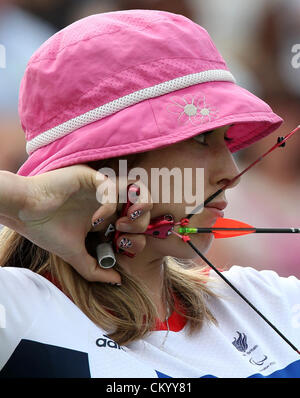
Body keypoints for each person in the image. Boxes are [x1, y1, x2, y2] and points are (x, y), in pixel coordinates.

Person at [0, 10, 299, 378]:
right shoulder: (17, 309)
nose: (231, 174)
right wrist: (26, 200)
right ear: (108, 162)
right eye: (201, 139)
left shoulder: (269, 302)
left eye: (226, 140)